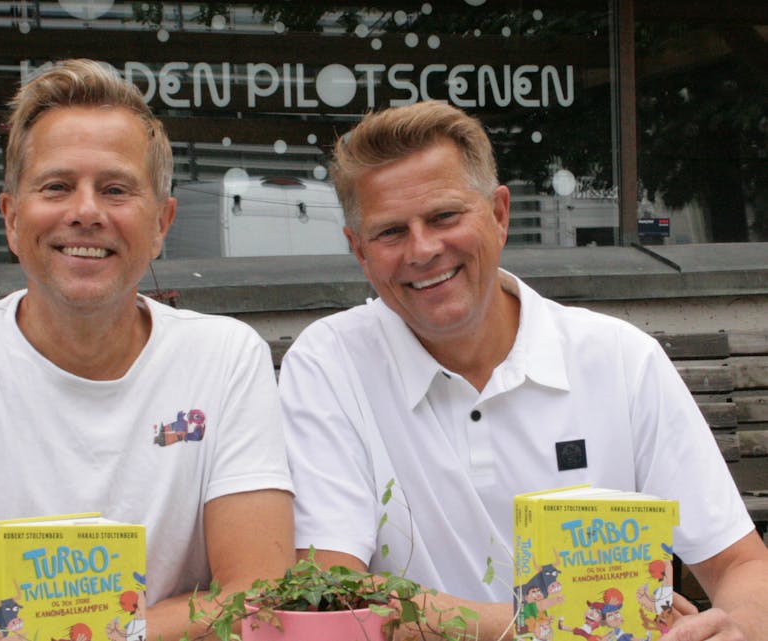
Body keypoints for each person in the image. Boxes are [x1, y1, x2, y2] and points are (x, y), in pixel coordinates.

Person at [277, 100, 768, 640]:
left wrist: (737, 631)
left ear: (500, 214)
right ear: (358, 251)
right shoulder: (329, 364)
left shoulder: (619, 359)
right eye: (391, 232)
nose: (423, 249)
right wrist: (544, 628)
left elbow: (740, 565)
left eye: (444, 216)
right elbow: (329, 593)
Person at [0, 59, 294, 641]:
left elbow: (258, 605)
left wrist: (38, 634)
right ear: (12, 220)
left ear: (162, 223)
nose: (85, 212)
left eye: (115, 189)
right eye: (56, 186)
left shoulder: (224, 356)